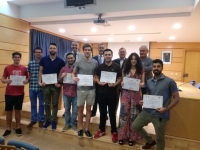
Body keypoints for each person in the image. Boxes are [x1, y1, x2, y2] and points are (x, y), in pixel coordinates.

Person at [132, 59, 180, 150]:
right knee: (135, 126)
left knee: (160, 138)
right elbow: (148, 94)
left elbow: (177, 98)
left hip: (160, 114)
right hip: (147, 111)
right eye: (154, 66)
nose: (156, 68)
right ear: (152, 68)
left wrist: (166, 108)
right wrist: (144, 100)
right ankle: (150, 141)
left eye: (158, 66)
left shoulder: (170, 81)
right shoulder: (149, 81)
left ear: (162, 68)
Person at [94, 49, 122, 143]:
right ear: (104, 55)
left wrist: (115, 84)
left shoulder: (117, 66)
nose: (107, 56)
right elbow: (96, 77)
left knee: (112, 113)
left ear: (112, 55)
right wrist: (99, 82)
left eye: (109, 54)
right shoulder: (100, 66)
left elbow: (120, 78)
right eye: (106, 54)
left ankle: (114, 131)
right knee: (102, 112)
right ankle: (101, 130)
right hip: (101, 92)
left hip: (112, 93)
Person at [118, 53, 145, 146]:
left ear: (137, 61)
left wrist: (141, 84)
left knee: (134, 116)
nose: (133, 60)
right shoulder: (124, 69)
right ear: (129, 60)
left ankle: (132, 137)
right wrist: (122, 83)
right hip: (125, 94)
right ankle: (122, 136)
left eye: (135, 59)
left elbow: (143, 82)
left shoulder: (141, 70)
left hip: (136, 95)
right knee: (124, 115)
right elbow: (122, 81)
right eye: (132, 59)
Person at [72, 43, 97, 138]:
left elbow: (96, 75)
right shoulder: (78, 61)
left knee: (89, 110)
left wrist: (95, 78)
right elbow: (73, 73)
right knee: (80, 109)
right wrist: (74, 78)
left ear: (91, 51)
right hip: (81, 89)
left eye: (89, 50)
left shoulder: (95, 62)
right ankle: (80, 128)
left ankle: (87, 129)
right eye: (85, 50)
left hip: (91, 89)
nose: (87, 51)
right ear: (83, 51)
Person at [38, 43, 65, 130]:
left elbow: (62, 74)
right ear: (49, 49)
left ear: (56, 50)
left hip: (55, 86)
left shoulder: (61, 61)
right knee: (47, 103)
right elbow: (41, 71)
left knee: (55, 103)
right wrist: (40, 82)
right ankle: (48, 120)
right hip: (45, 85)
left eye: (54, 48)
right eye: (51, 48)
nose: (52, 49)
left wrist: (60, 84)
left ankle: (53, 120)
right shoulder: (43, 59)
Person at [1, 52, 28, 137]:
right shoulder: (7, 68)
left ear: (20, 58)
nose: (17, 58)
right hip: (9, 93)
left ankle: (18, 127)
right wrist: (6, 81)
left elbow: (27, 79)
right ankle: (8, 128)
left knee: (18, 111)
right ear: (12, 58)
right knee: (9, 112)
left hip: (20, 93)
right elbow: (2, 79)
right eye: (15, 57)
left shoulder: (24, 68)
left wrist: (26, 81)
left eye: (18, 57)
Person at [58, 53, 78, 132]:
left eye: (71, 58)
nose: (70, 59)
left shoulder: (77, 69)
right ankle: (67, 124)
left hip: (76, 92)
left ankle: (73, 124)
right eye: (68, 58)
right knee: (66, 110)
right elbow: (59, 80)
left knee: (75, 110)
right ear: (66, 59)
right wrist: (62, 77)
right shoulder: (63, 69)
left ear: (74, 58)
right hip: (66, 92)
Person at [27, 47, 44, 129]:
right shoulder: (30, 63)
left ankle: (41, 119)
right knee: (33, 104)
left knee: (41, 104)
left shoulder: (44, 63)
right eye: (36, 52)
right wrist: (26, 80)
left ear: (42, 53)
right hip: (32, 87)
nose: (38, 53)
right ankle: (33, 119)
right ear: (34, 53)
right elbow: (29, 75)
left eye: (39, 52)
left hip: (42, 87)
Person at [91, 43, 105, 117]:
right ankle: (93, 112)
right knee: (95, 97)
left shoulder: (107, 57)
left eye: (102, 48)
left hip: (105, 81)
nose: (101, 49)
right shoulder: (94, 58)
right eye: (100, 48)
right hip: (95, 81)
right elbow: (92, 70)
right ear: (98, 49)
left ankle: (104, 113)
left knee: (103, 98)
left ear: (104, 48)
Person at [113, 47, 127, 114]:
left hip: (125, 84)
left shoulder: (129, 61)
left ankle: (123, 115)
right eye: (120, 52)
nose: (122, 53)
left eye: (123, 52)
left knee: (124, 101)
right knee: (115, 100)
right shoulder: (114, 61)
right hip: (116, 84)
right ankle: (113, 114)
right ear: (118, 53)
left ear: (126, 53)